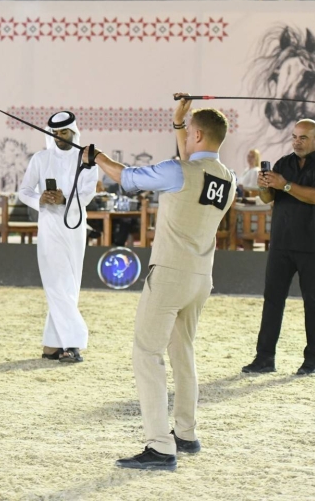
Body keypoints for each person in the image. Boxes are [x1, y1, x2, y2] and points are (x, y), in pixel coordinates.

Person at [87, 96, 235, 471]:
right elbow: (190, 168)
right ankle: (186, 432)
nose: (185, 135)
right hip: (201, 275)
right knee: (182, 352)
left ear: (198, 134)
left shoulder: (178, 170)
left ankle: (159, 445)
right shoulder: (227, 179)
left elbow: (128, 178)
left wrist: (97, 157)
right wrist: (177, 124)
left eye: (188, 131)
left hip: (170, 272)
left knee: (146, 353)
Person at [242, 119, 315, 376]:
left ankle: (311, 360)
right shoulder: (283, 163)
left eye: (303, 138)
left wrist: (284, 184)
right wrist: (265, 186)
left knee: (312, 301)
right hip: (282, 243)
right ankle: (264, 358)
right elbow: (268, 198)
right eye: (295, 137)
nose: (297, 141)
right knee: (272, 300)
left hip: (314, 244)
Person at [17, 111, 98, 363]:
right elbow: (24, 191)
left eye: (64, 132)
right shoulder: (41, 158)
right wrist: (38, 199)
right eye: (55, 133)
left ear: (74, 132)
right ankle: (72, 343)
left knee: (69, 284)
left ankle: (52, 345)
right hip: (49, 227)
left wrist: (65, 200)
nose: (59, 137)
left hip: (74, 228)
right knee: (56, 283)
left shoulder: (86, 160)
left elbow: (87, 194)